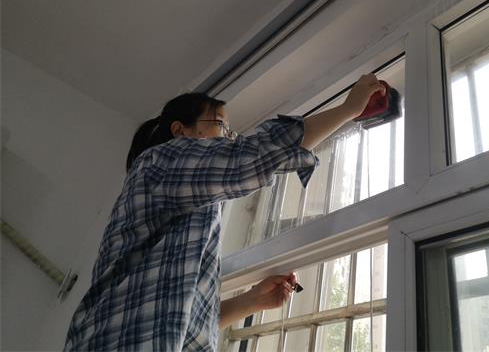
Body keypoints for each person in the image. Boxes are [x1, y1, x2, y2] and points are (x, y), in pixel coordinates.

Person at [63, 74, 386, 351]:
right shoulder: (155, 163)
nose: (229, 137)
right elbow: (248, 158)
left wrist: (251, 301)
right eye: (221, 125)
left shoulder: (187, 213)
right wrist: (348, 109)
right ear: (180, 131)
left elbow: (182, 322)